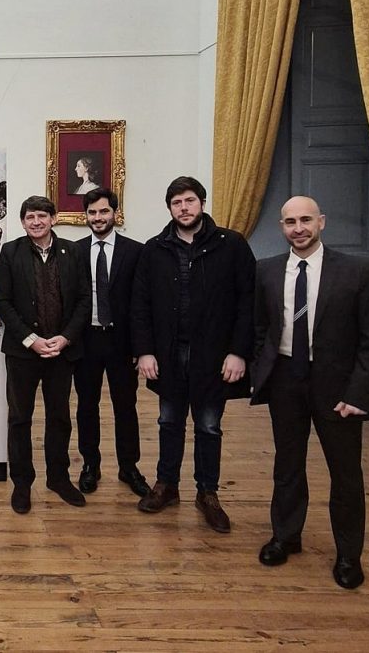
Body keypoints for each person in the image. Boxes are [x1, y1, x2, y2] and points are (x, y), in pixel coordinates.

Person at [251, 196, 369, 589]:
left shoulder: (359, 270)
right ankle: (286, 536)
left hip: (338, 388)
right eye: (290, 221)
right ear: (282, 226)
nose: (299, 228)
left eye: (306, 220)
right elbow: (261, 328)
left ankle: (348, 555)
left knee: (345, 473)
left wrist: (359, 393)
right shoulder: (267, 270)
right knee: (287, 465)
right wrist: (262, 370)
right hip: (285, 381)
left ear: (321, 222)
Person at [131, 176, 254, 533]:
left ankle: (207, 492)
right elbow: (140, 305)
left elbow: (248, 302)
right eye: (176, 203)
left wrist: (238, 352)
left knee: (209, 426)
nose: (183, 208)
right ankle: (166, 485)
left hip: (214, 355)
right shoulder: (154, 249)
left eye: (189, 201)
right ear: (169, 208)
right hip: (168, 354)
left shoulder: (231, 245)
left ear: (202, 202)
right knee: (169, 421)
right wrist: (144, 351)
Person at [0, 195, 91, 514]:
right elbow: (3, 302)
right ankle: (22, 484)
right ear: (23, 222)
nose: (36, 222)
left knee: (59, 417)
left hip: (61, 352)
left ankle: (58, 478)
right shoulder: (11, 252)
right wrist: (30, 339)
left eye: (42, 216)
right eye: (30, 217)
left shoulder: (73, 252)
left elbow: (83, 300)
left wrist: (66, 338)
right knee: (20, 418)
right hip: (23, 352)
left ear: (53, 219)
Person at [73, 188, 149, 497]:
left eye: (104, 211)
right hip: (86, 340)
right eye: (92, 212)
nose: (98, 217)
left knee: (126, 406)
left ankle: (129, 466)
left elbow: (142, 303)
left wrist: (142, 347)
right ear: (86, 216)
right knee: (86, 406)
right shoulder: (74, 251)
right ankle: (90, 465)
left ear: (114, 213)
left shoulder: (136, 251)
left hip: (121, 342)